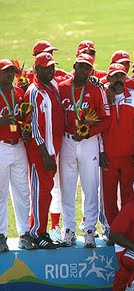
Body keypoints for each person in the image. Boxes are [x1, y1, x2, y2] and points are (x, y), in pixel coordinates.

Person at [58, 53, 110, 248]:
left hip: (88, 142)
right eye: (80, 66)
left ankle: (89, 230)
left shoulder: (97, 89)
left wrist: (88, 132)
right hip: (67, 141)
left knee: (90, 186)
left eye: (87, 67)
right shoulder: (62, 88)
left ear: (91, 70)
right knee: (67, 187)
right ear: (74, 66)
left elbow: (107, 119)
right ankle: (69, 230)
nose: (83, 71)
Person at [100, 63, 134, 244]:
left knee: (129, 196)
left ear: (126, 78)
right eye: (114, 76)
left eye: (121, 76)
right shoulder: (102, 96)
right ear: (108, 78)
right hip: (109, 156)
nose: (118, 80)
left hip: (130, 156)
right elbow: (99, 126)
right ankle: (112, 230)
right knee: (109, 197)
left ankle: (126, 230)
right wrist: (101, 150)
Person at [24, 53, 65, 249]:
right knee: (40, 193)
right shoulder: (34, 91)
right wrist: (44, 153)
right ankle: (36, 232)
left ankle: (42, 230)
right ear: (36, 70)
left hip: (51, 151)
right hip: (41, 153)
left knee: (46, 193)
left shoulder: (52, 85)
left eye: (52, 67)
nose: (51, 70)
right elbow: (33, 126)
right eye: (47, 67)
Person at [0, 59, 37, 252]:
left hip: (19, 146)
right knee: (1, 193)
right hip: (1, 148)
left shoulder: (19, 93)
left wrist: (26, 131)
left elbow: (24, 119)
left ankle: (25, 233)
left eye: (11, 71)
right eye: (6, 71)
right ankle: (0, 236)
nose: (9, 74)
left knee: (23, 191)